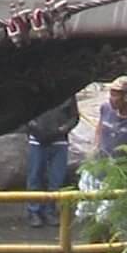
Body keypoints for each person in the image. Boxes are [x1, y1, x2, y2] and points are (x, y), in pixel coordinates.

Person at [24, 97, 78, 228]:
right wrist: (36, 130)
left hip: (59, 141)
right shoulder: (33, 91)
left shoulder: (68, 93)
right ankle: (34, 211)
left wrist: (60, 130)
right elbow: (23, 116)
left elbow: (74, 117)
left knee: (56, 179)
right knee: (35, 176)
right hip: (37, 140)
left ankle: (50, 210)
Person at [96, 76, 127, 159]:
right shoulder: (105, 108)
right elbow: (99, 128)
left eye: (114, 95)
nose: (110, 99)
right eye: (110, 94)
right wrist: (96, 147)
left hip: (123, 169)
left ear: (126, 97)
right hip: (101, 164)